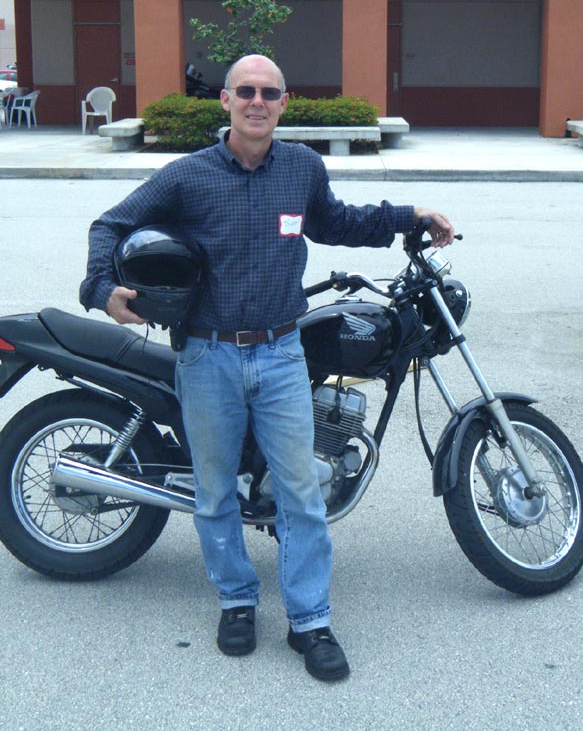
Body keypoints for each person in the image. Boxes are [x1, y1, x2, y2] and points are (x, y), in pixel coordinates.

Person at [80, 54, 454, 682]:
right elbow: (111, 223)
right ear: (225, 100)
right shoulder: (188, 176)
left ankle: (310, 621)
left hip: (281, 353)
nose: (258, 102)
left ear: (284, 102)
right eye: (246, 91)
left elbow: (339, 221)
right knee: (215, 491)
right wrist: (100, 289)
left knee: (300, 494)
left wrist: (408, 217)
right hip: (207, 355)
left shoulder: (302, 168)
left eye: (269, 93)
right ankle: (236, 601)